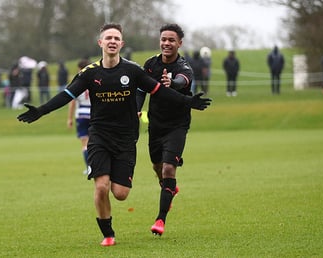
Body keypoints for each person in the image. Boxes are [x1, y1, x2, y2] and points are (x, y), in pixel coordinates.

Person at [17, 23, 211, 246]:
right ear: (100, 43)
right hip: (99, 136)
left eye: (116, 38)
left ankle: (123, 206)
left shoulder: (133, 71)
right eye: (108, 37)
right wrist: (41, 111)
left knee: (120, 193)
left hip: (126, 138)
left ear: (121, 44)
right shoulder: (89, 73)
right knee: (101, 187)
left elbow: (159, 90)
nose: (112, 41)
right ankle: (108, 234)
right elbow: (66, 95)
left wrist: (189, 101)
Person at [136, 23, 194, 236]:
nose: (167, 43)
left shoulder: (184, 67)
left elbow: (181, 81)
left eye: (171, 40)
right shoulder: (150, 65)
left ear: (180, 43)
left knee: (169, 168)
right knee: (158, 167)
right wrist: (136, 110)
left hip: (177, 126)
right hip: (156, 125)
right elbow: (141, 89)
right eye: (164, 39)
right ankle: (169, 188)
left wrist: (172, 81)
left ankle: (160, 219)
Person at [67, 59, 91, 175]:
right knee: (95, 142)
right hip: (94, 114)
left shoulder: (77, 82)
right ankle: (97, 166)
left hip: (81, 114)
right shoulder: (96, 80)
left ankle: (88, 168)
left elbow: (71, 102)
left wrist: (69, 118)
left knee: (85, 143)